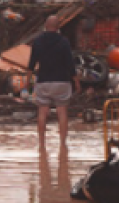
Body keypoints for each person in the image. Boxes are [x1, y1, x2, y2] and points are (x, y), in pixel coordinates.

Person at [28, 15, 81, 150]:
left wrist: (28, 81)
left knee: (42, 112)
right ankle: (63, 143)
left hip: (43, 81)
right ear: (58, 27)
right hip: (62, 81)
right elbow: (70, 63)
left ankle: (41, 144)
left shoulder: (38, 41)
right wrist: (76, 81)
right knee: (62, 112)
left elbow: (31, 63)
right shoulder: (64, 42)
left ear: (45, 26)